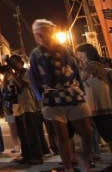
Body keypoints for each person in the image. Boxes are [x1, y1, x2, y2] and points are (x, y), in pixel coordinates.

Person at [29, 19, 93, 172]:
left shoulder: (64, 49)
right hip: (52, 97)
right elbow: (33, 77)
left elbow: (75, 70)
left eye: (45, 32)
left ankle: (86, 161)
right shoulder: (35, 54)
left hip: (71, 92)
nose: (42, 36)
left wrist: (81, 89)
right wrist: (40, 98)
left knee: (87, 132)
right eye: (39, 33)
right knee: (62, 137)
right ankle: (68, 167)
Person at [8, 54, 47, 165]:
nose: (14, 65)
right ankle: (26, 155)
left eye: (15, 62)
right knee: (22, 133)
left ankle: (36, 157)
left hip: (29, 105)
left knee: (32, 132)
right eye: (12, 63)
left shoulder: (27, 72)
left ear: (21, 62)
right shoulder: (16, 74)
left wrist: (13, 76)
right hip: (19, 106)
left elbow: (23, 85)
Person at [76, 43, 112, 151]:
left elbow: (81, 79)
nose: (79, 57)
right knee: (105, 133)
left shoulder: (92, 65)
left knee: (107, 133)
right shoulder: (95, 65)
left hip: (100, 106)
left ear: (87, 53)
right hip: (99, 105)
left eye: (80, 54)